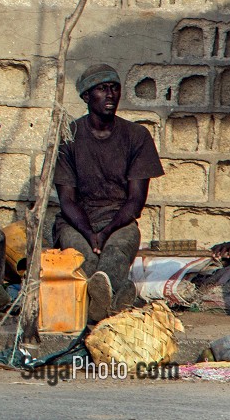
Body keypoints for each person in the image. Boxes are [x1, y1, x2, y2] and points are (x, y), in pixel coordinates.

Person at [53, 63, 163, 323]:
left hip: (119, 220)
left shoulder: (137, 136)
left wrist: (105, 232)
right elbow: (67, 200)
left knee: (115, 254)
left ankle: (96, 310)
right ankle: (120, 295)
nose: (111, 94)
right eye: (102, 89)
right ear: (86, 97)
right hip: (77, 222)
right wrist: (91, 234)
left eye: (115, 88)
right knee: (85, 258)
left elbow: (135, 201)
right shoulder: (69, 136)